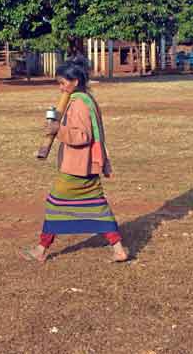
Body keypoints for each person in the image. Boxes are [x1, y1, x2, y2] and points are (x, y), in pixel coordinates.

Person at [20, 57, 128, 263]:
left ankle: (41, 250)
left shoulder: (79, 104)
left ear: (75, 81)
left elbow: (82, 136)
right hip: (87, 165)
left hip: (76, 168)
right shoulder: (84, 98)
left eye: (63, 83)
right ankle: (118, 249)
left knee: (55, 205)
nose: (60, 87)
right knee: (98, 207)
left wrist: (57, 129)